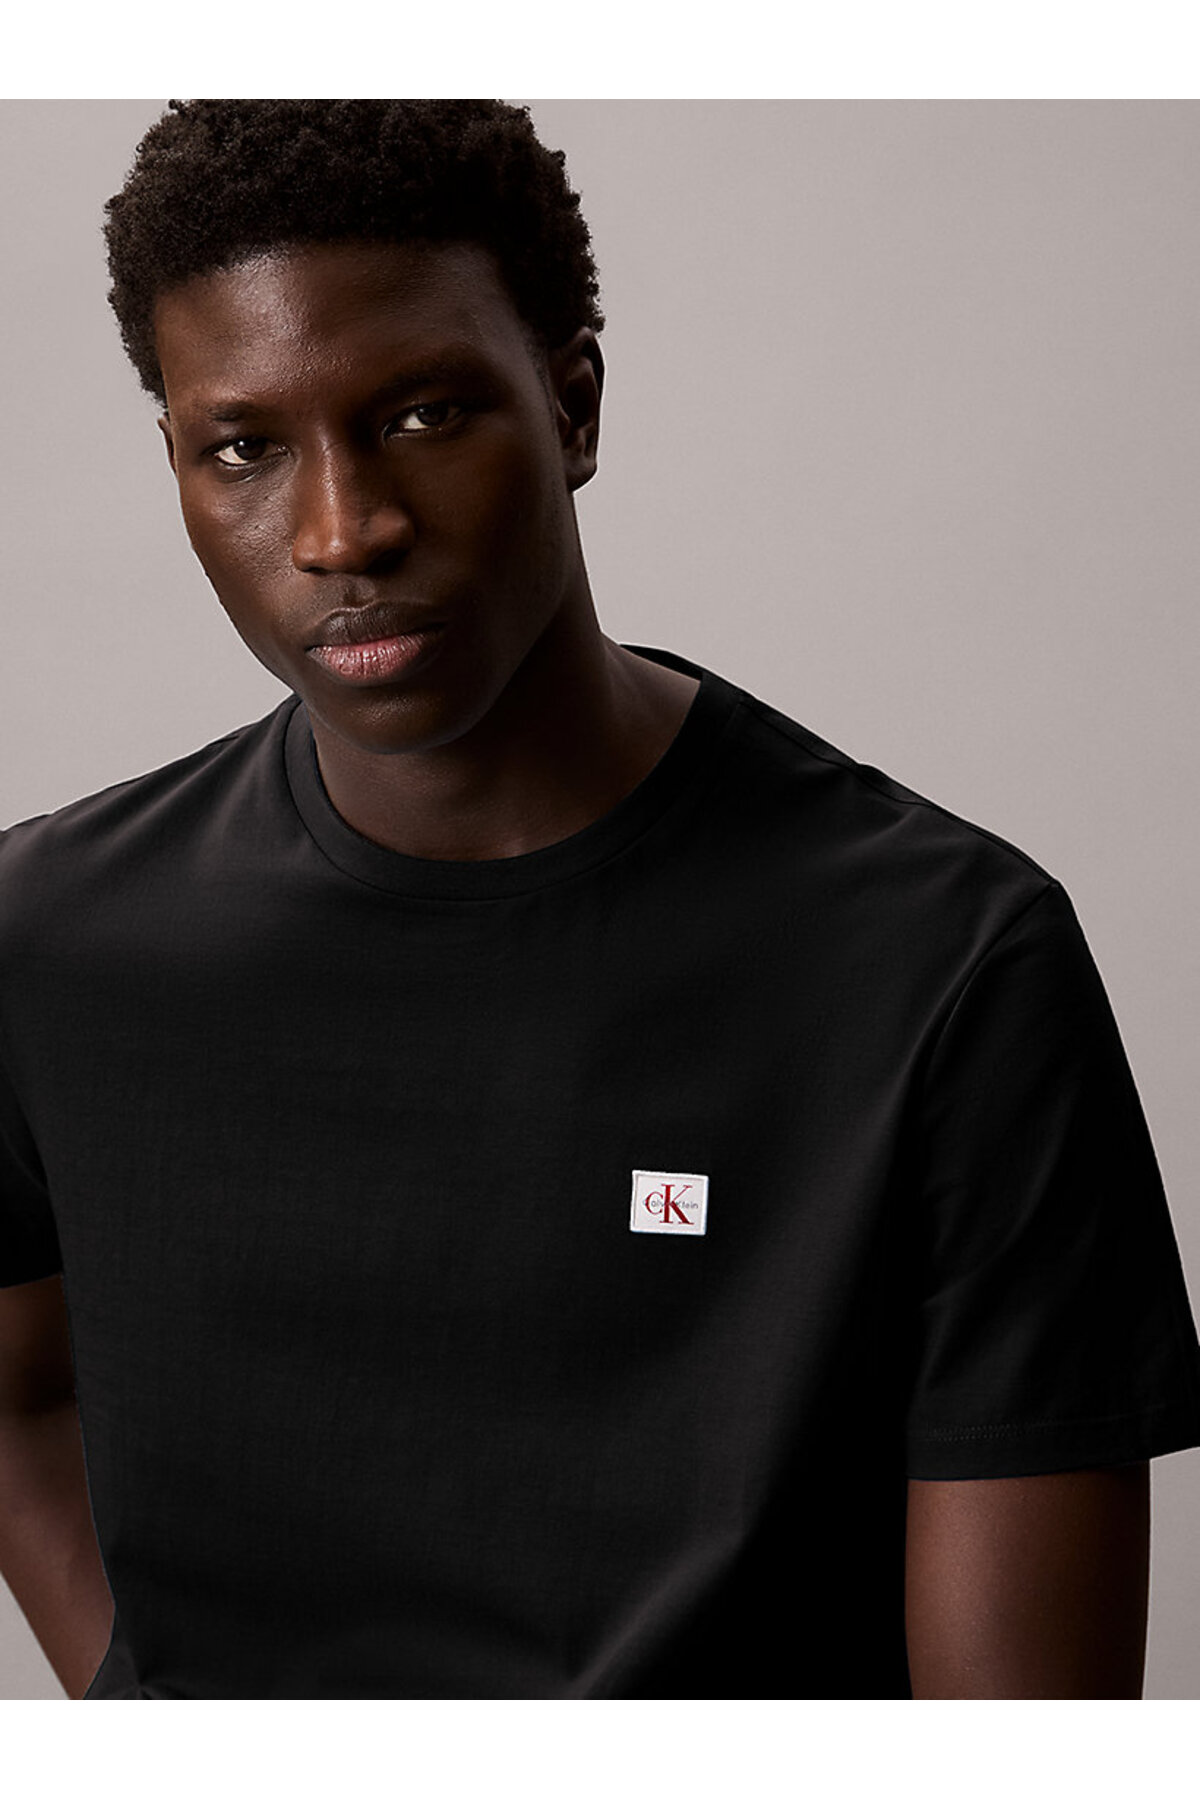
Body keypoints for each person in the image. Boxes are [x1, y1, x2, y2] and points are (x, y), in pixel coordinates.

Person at [1, 98, 1198, 1702]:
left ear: (571, 405)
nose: (344, 530)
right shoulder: (47, 946)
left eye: (425, 413)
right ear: (177, 467)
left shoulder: (943, 966)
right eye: (246, 448)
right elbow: (17, 1395)